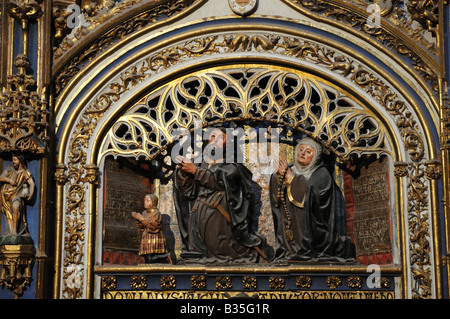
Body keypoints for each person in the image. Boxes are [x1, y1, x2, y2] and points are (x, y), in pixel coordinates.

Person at [174, 127, 266, 264]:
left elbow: (220, 180)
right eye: (212, 137)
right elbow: (189, 192)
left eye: (220, 138)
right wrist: (183, 173)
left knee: (221, 251)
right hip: (197, 223)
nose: (214, 141)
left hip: (220, 223)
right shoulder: (201, 165)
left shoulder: (233, 167)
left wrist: (195, 171)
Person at [270, 136, 355, 262]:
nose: (303, 153)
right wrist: (278, 178)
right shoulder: (291, 168)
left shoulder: (321, 175)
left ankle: (302, 251)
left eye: (308, 152)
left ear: (316, 158)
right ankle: (289, 251)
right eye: (301, 149)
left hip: (313, 231)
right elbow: (277, 200)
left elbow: (310, 199)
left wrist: (290, 177)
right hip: (289, 224)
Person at [0, 154, 35, 237]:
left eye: (15, 160)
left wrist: (31, 194)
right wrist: (9, 180)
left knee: (16, 208)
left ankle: (15, 231)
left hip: (16, 194)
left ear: (20, 161)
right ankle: (11, 232)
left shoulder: (25, 172)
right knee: (8, 214)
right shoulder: (9, 169)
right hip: (5, 195)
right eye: (13, 160)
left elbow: (31, 184)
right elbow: (1, 177)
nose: (13, 162)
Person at [131, 194, 171, 263]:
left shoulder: (156, 213)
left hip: (154, 236)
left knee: (151, 258)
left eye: (148, 201)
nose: (145, 202)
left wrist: (140, 218)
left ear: (154, 202)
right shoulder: (144, 213)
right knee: (146, 258)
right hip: (147, 236)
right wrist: (138, 219)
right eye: (145, 201)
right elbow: (142, 227)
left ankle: (165, 257)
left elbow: (153, 225)